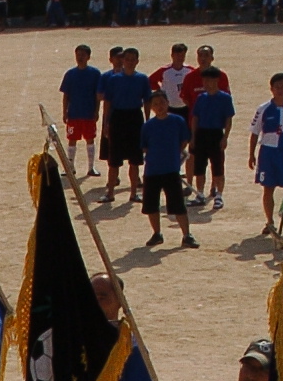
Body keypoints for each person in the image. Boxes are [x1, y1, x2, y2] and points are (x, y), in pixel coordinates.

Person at [138, 89, 195, 247]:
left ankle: (187, 235)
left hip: (171, 169)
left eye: (162, 103)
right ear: (151, 107)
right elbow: (144, 147)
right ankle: (157, 234)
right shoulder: (148, 126)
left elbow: (184, 140)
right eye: (155, 104)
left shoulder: (177, 121)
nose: (159, 106)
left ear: (168, 103)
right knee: (151, 205)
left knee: (178, 205)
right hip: (152, 171)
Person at [99, 47, 149, 206]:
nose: (129, 62)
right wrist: (106, 122)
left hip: (135, 117)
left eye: (132, 59)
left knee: (135, 159)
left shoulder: (142, 78)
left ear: (137, 61)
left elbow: (147, 101)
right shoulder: (114, 79)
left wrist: (147, 121)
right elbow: (108, 102)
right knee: (113, 159)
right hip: (118, 118)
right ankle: (110, 192)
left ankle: (134, 193)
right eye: (127, 59)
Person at [186, 50, 233, 211]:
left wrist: (225, 137)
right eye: (204, 80)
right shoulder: (201, 98)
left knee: (218, 167)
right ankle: (200, 193)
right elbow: (195, 118)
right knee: (200, 166)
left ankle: (218, 195)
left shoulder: (225, 98)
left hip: (215, 134)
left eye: (210, 80)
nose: (206, 83)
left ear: (217, 81)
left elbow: (228, 119)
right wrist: (192, 136)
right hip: (201, 134)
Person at [59, 44, 104, 178]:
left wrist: (96, 111)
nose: (80, 57)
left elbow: (98, 95)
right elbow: (66, 95)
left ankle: (91, 167)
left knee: (90, 139)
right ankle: (70, 167)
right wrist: (64, 111)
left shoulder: (95, 74)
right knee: (72, 140)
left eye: (83, 55)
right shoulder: (70, 74)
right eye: (78, 55)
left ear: (88, 57)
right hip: (74, 113)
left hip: (88, 113)